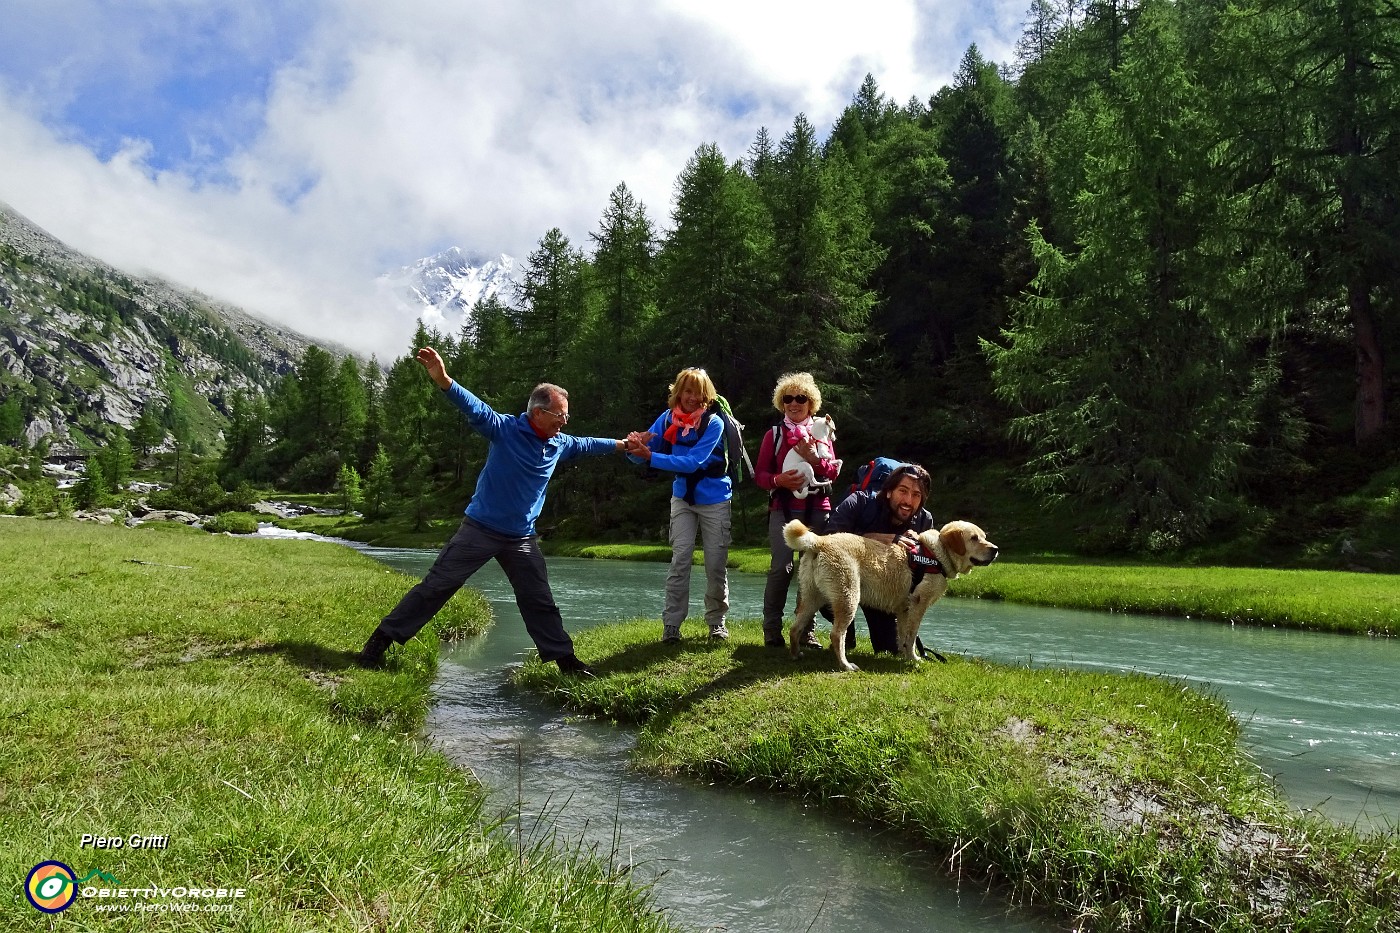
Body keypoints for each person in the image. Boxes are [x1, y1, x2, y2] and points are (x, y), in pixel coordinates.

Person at [356, 347, 631, 676]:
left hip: (521, 538)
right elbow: (475, 408)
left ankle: (566, 663)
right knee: (436, 587)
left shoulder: (558, 443)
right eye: (560, 415)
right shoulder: (505, 429)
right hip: (480, 529)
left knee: (538, 599)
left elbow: (588, 444)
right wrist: (444, 380)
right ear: (538, 413)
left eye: (566, 416)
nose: (564, 421)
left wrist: (625, 445)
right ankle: (379, 643)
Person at [625, 367, 732, 643]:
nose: (692, 397)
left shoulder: (715, 423)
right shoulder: (667, 419)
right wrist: (635, 448)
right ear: (678, 393)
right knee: (680, 560)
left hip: (715, 498)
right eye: (687, 391)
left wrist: (650, 456)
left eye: (698, 392)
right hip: (683, 497)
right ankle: (671, 625)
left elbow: (692, 462)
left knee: (715, 565)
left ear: (706, 395)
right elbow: (643, 455)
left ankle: (717, 623)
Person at [754, 372, 841, 648]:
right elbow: (760, 475)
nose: (794, 403)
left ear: (810, 402)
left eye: (800, 398)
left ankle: (806, 631)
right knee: (782, 567)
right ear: (782, 403)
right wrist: (778, 480)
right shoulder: (775, 434)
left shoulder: (821, 431)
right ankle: (771, 630)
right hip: (783, 508)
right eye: (788, 398)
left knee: (814, 571)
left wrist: (813, 458)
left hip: (818, 508)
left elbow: (831, 472)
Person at [824, 462, 935, 655]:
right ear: (889, 491)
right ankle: (845, 634)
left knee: (890, 649)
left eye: (917, 495)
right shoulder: (858, 501)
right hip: (844, 579)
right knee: (825, 593)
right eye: (903, 491)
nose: (909, 500)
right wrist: (878, 538)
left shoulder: (924, 521)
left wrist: (919, 548)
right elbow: (829, 538)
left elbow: (922, 576)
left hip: (883, 593)